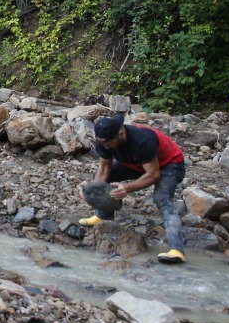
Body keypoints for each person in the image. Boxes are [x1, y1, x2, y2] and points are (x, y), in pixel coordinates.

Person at [79, 113, 188, 264]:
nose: (104, 147)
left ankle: (177, 250)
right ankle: (103, 215)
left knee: (161, 198)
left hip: (169, 164)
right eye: (101, 143)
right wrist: (93, 192)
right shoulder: (104, 140)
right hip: (137, 163)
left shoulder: (143, 140)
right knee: (106, 179)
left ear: (120, 133)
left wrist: (126, 188)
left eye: (107, 143)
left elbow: (153, 175)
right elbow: (104, 170)